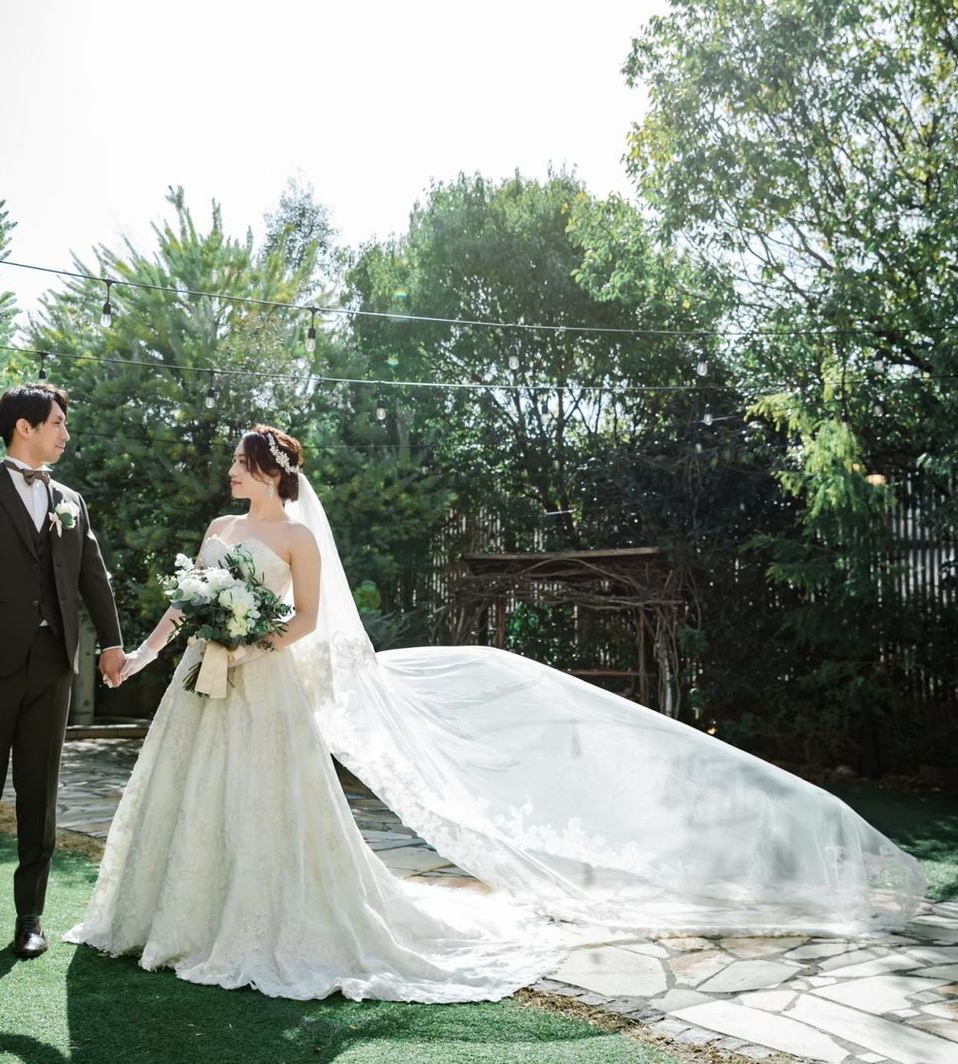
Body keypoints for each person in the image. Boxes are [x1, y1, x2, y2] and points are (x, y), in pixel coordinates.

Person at [68, 423, 925, 1001]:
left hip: (264, 687)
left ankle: (261, 922)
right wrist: (141, 656)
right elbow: (185, 605)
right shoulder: (220, 532)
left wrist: (253, 642)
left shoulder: (296, 538)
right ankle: (175, 917)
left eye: (240, 462)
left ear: (269, 470)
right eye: (232, 464)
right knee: (191, 798)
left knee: (267, 805)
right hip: (201, 688)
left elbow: (311, 622)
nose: (230, 472)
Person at [0, 383, 125, 961]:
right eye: (57, 423)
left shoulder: (71, 501)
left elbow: (93, 577)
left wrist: (112, 643)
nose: (65, 434)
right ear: (25, 427)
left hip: (52, 667)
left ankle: (30, 918)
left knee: (40, 793)